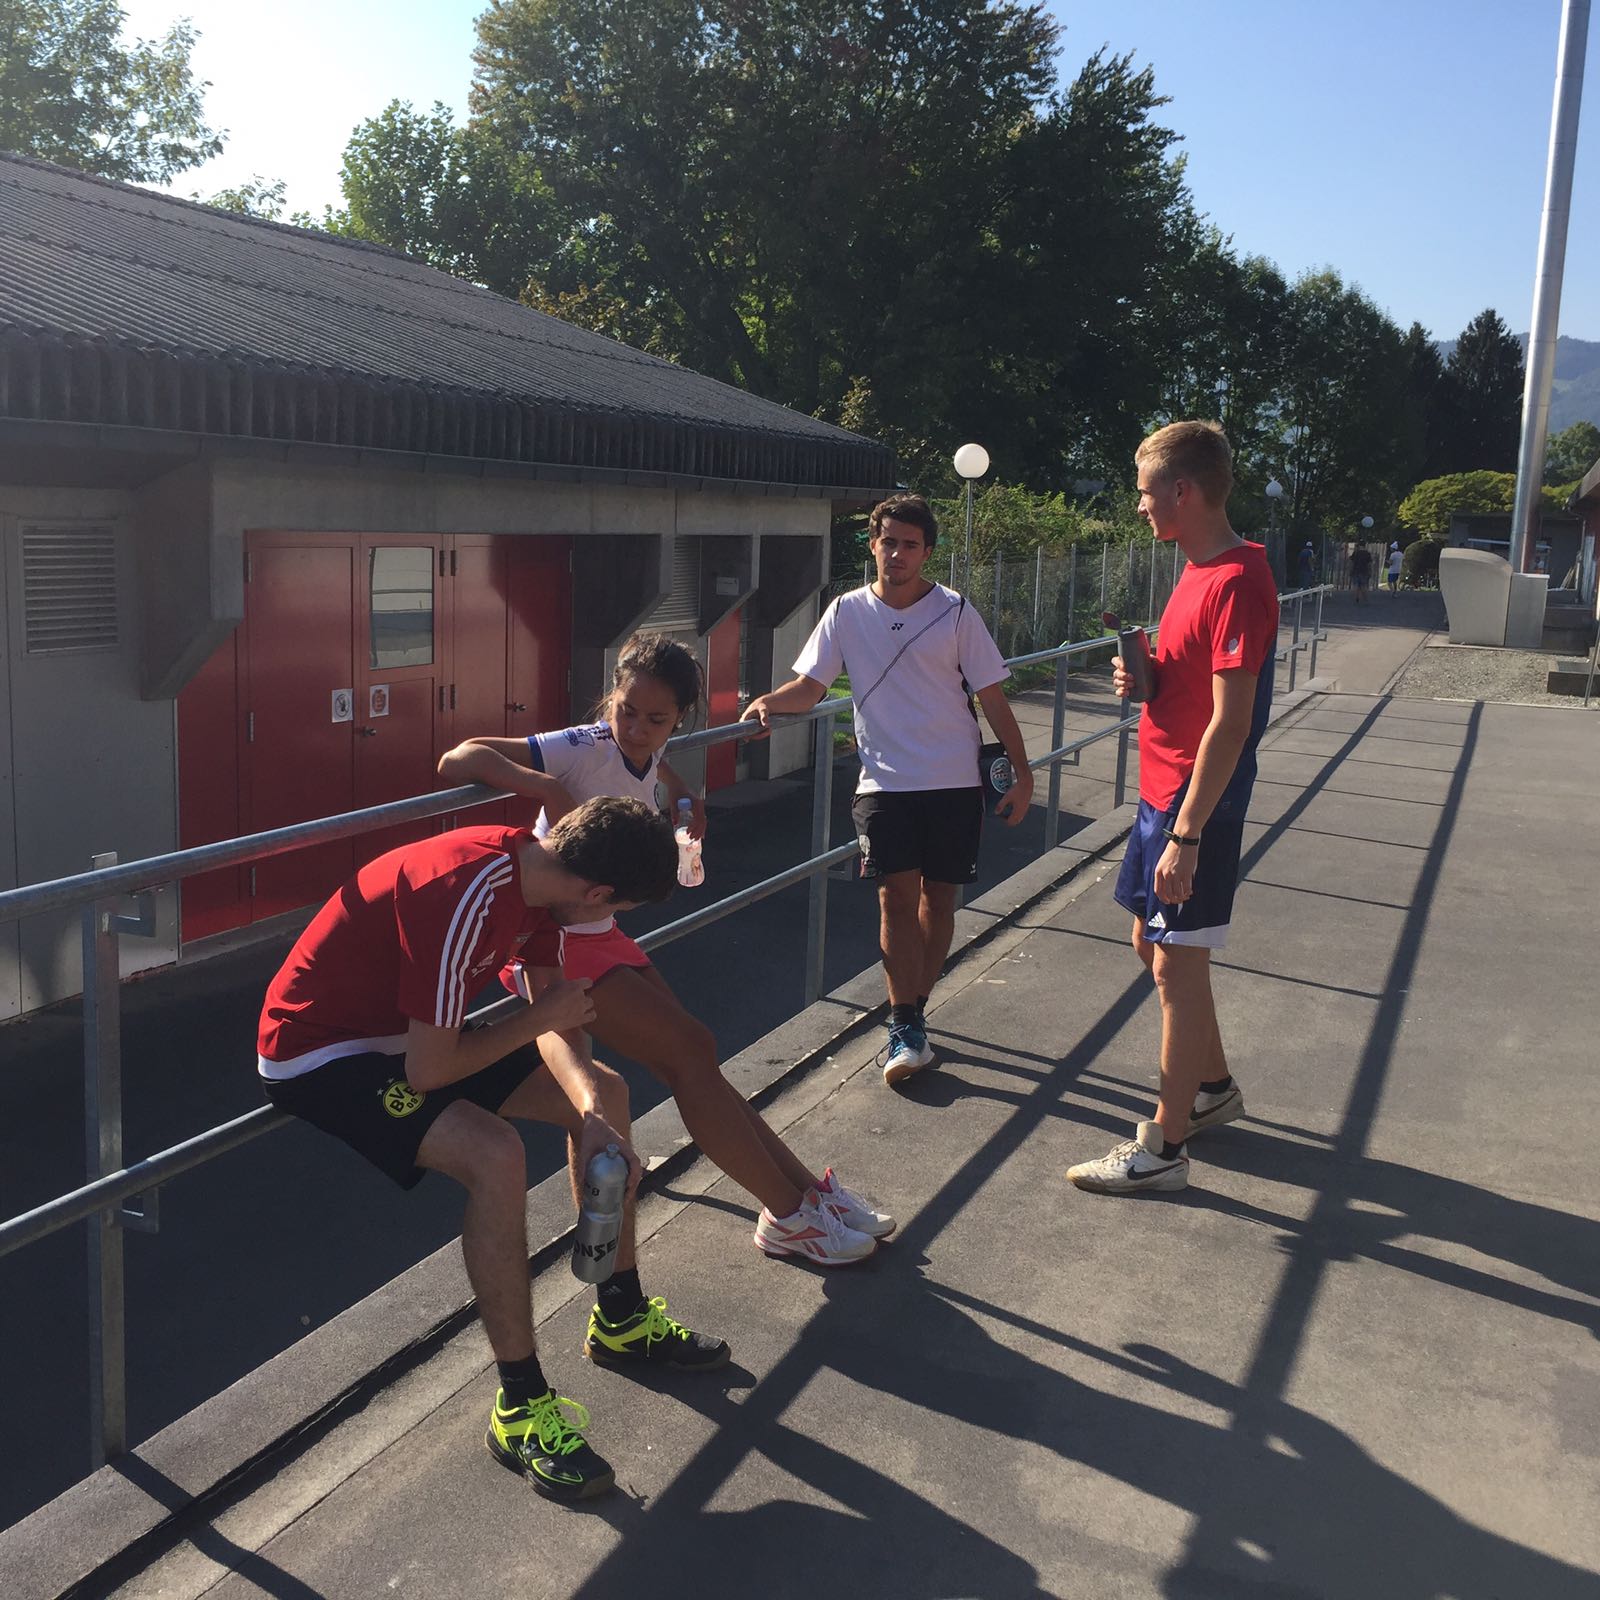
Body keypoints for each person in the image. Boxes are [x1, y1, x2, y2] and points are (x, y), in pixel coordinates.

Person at [257, 796, 728, 1504]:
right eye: (617, 910)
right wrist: (541, 1018)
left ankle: (622, 1315)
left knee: (606, 1091)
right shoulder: (462, 897)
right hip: (324, 1052)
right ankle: (520, 1405)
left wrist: (590, 1114)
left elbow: (554, 1016)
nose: (611, 923)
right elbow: (431, 1071)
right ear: (596, 893)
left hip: (407, 1034)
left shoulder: (540, 881)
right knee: (496, 1153)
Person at [438, 631, 893, 1268]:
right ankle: (790, 1215)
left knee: (697, 1058)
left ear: (679, 718)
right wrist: (541, 787)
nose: (637, 730)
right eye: (626, 711)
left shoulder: (649, 748)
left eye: (656, 720)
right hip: (555, 939)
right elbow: (458, 758)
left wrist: (684, 801)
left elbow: (660, 772)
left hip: (600, 931)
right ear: (611, 697)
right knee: (690, 1055)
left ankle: (808, 1198)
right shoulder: (580, 744)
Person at [741, 493, 1034, 1087]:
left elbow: (992, 698)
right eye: (888, 542)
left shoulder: (955, 612)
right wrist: (769, 702)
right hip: (883, 783)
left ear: (927, 552)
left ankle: (913, 1011)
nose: (897, 554)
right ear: (873, 545)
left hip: (953, 781)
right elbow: (811, 687)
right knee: (894, 899)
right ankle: (905, 1024)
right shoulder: (846, 611)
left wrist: (1024, 775)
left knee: (939, 901)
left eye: (910, 545)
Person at [1066, 421, 1279, 1196]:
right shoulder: (1197, 569)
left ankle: (1164, 1147)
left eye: (1146, 492)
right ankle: (1212, 1087)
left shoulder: (1238, 581)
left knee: (1177, 967)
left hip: (1195, 806)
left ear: (1182, 491)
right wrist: (1147, 674)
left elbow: (1232, 723)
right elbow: (1193, 683)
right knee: (1150, 944)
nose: (1139, 506)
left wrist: (1188, 836)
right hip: (1163, 794)